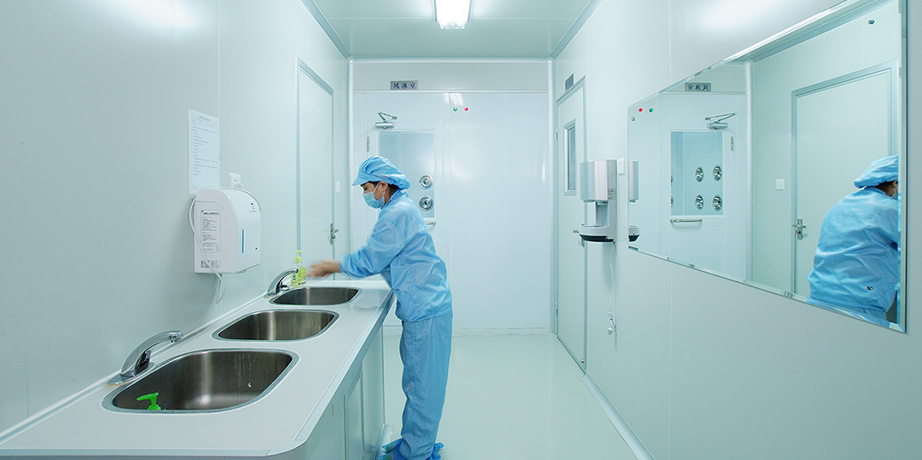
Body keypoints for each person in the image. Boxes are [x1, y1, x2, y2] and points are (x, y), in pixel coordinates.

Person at [307, 156, 452, 460]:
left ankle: (416, 453)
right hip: (428, 305)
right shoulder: (400, 208)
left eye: (366, 188)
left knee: (422, 386)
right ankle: (416, 441)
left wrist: (331, 265)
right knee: (422, 383)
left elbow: (370, 259)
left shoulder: (396, 214)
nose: (365, 194)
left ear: (383, 185)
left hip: (425, 309)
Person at [807, 155, 900, 324]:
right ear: (895, 183)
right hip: (860, 301)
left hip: (821, 294)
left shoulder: (844, 203)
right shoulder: (891, 209)